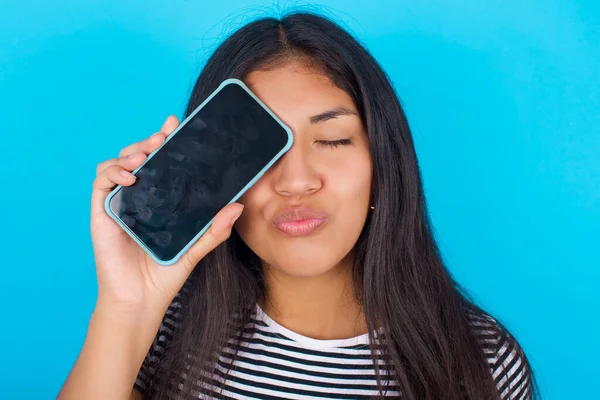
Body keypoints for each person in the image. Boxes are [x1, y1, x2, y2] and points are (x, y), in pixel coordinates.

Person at [58, 11, 539, 400]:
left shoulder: (482, 361)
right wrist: (126, 304)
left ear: (383, 162)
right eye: (263, 151)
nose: (297, 181)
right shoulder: (160, 336)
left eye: (332, 139)